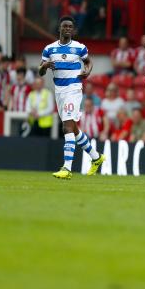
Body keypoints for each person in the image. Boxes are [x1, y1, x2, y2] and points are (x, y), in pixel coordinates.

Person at [39, 16, 105, 179]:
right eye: (65, 26)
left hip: (74, 89)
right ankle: (97, 157)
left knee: (67, 127)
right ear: (59, 29)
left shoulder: (79, 48)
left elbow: (88, 62)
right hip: (59, 91)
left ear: (73, 30)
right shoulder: (49, 49)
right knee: (73, 129)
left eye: (70, 27)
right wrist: (45, 66)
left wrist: (88, 71)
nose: (68, 29)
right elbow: (40, 71)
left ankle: (67, 168)